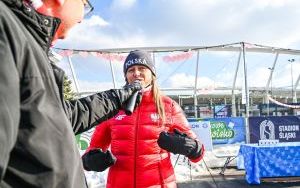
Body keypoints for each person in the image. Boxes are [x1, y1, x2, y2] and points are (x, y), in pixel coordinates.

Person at [0, 0, 142, 187]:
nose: (82, 18)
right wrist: (90, 160)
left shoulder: (27, 42)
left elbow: (59, 117)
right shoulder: (8, 31)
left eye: (142, 68)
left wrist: (116, 98)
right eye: (84, 4)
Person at [82, 50, 205, 188]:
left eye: (142, 68)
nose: (136, 73)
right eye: (131, 70)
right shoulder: (113, 106)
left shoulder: (168, 106)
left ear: (152, 74)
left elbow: (198, 154)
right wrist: (90, 160)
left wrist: (191, 147)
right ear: (126, 76)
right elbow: (93, 148)